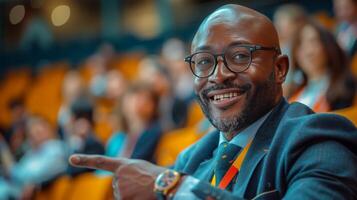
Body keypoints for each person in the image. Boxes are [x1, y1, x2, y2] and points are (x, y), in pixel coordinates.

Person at [69, 4, 357, 200]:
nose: (219, 76)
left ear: (280, 69)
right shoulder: (191, 159)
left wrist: (175, 188)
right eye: (204, 61)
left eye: (241, 56)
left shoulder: (318, 141)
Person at [289, 19, 356, 112]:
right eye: (300, 44)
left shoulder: (347, 89)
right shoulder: (293, 94)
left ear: (328, 46)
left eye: (313, 42)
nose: (308, 52)